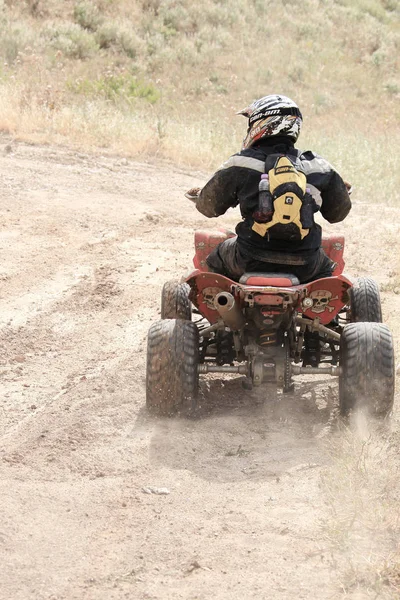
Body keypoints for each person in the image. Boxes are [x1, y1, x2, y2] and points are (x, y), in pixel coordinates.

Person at [187, 94, 351, 283]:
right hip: (307, 264)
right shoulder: (318, 166)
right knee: (327, 271)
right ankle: (318, 307)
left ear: (262, 124)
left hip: (248, 258)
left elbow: (208, 207)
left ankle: (221, 304)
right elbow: (337, 214)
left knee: (215, 257)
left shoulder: (241, 163)